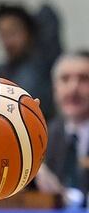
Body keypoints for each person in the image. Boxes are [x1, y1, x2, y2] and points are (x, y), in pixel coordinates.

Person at [35, 52, 89, 203]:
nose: (73, 88)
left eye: (84, 79)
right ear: (54, 88)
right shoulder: (42, 136)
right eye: (65, 79)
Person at [0, 2, 62, 118]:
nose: (8, 42)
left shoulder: (44, 60)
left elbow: (48, 13)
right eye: (3, 34)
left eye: (13, 33)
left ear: (28, 32)